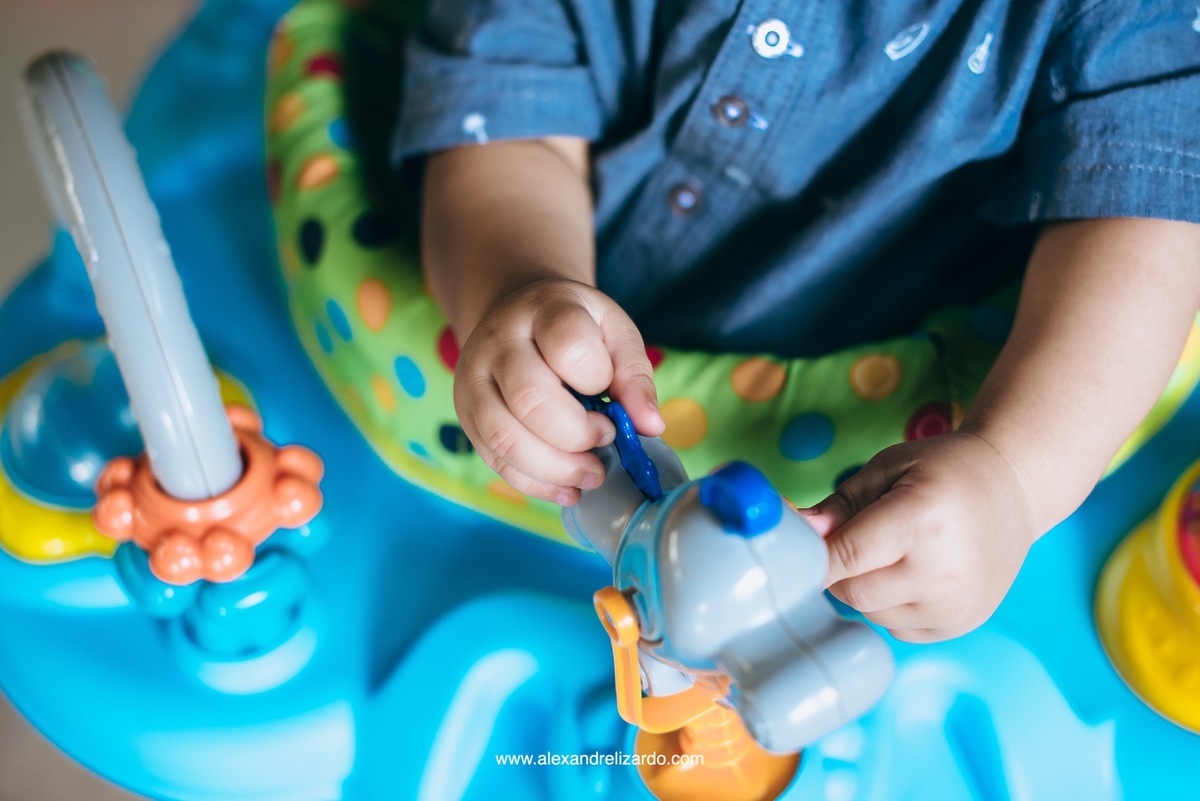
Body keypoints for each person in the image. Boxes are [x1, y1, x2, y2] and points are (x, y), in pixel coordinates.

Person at [391, 1, 1200, 642]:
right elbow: (504, 109)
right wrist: (519, 283)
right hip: (521, 404)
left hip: (908, 378)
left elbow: (1147, 227)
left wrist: (1015, 480)